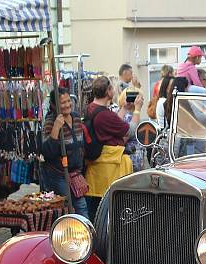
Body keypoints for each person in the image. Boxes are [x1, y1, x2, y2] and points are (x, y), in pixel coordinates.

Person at [83, 76, 133, 221]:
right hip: (109, 168)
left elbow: (111, 122)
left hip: (96, 166)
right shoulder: (104, 114)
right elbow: (129, 130)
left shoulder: (91, 109)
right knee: (108, 210)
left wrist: (123, 109)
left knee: (96, 207)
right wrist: (136, 112)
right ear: (109, 91)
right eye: (111, 87)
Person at [40, 88, 88, 217]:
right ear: (54, 105)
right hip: (58, 173)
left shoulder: (76, 118)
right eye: (63, 103)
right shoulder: (51, 122)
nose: (67, 105)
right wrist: (56, 128)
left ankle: (85, 234)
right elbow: (47, 152)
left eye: (68, 101)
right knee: (68, 208)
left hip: (75, 173)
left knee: (80, 206)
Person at [117, 87, 145, 172]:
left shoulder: (121, 113)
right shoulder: (129, 117)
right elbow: (123, 139)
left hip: (134, 160)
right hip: (130, 161)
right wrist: (137, 109)